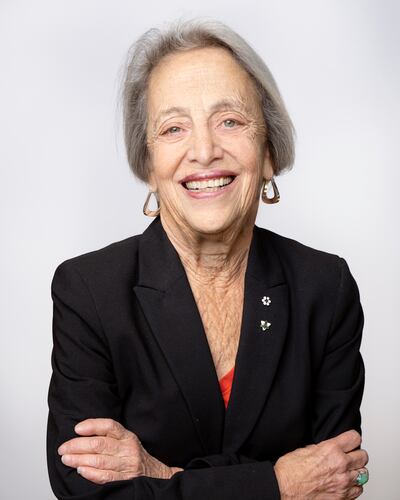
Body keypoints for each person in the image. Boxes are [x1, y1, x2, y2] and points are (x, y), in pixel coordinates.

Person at [46, 17, 369, 499]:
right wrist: (278, 484)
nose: (203, 151)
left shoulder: (325, 286)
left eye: (230, 121)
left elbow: (336, 481)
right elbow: (85, 492)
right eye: (174, 128)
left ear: (268, 152)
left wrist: (160, 476)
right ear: (149, 165)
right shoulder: (88, 291)